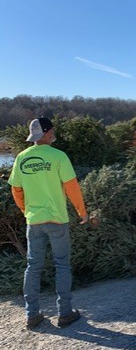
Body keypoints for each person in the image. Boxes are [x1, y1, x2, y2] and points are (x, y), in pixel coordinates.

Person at [8, 117, 89, 330]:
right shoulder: (58, 156)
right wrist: (82, 212)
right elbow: (72, 187)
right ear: (46, 133)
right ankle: (65, 314)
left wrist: (28, 211)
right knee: (62, 264)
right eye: (51, 130)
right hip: (57, 220)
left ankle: (32, 316)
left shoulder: (21, 158)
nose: (53, 133)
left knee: (33, 267)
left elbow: (16, 190)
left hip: (34, 222)